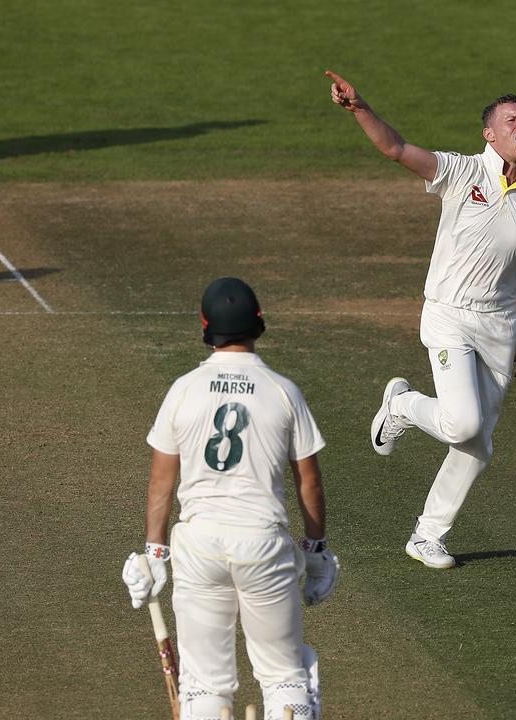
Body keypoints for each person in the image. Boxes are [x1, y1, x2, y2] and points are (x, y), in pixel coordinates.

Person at [325, 70, 516, 569]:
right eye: (511, 119)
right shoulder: (461, 172)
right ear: (489, 134)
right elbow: (396, 149)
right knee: (463, 423)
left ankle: (427, 536)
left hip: (498, 327)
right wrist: (359, 107)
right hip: (449, 314)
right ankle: (403, 404)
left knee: (477, 444)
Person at [121, 277, 339, 720]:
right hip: (262, 545)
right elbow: (309, 483)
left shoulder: (184, 389)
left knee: (203, 688)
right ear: (258, 323)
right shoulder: (282, 391)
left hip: (199, 546)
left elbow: (161, 481)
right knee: (284, 678)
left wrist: (154, 552)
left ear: (206, 328)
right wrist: (315, 551)